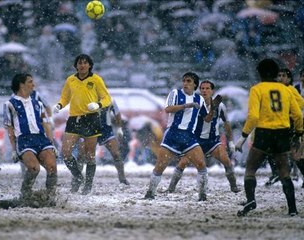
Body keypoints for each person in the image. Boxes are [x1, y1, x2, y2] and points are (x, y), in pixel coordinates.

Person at [235, 59, 303, 217]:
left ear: (259, 73)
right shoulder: (286, 90)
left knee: (251, 169)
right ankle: (292, 208)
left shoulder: (257, 89)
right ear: (275, 73)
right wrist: (299, 133)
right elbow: (298, 114)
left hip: (264, 133)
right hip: (282, 133)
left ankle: (251, 200)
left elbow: (253, 117)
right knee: (284, 172)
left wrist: (243, 137)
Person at [144, 72, 220, 201]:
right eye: (184, 80)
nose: (185, 83)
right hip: (173, 134)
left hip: (189, 137)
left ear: (195, 84)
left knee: (201, 164)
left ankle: (202, 196)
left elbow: (207, 118)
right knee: (160, 166)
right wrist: (186, 105)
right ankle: (150, 193)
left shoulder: (199, 99)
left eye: (188, 81)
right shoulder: (175, 93)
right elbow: (168, 109)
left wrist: (213, 108)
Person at [166, 80, 240, 193]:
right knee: (182, 163)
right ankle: (171, 188)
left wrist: (230, 141)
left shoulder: (220, 106)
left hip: (212, 141)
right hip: (196, 141)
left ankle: (234, 187)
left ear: (212, 91)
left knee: (226, 161)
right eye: (202, 88)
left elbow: (226, 123)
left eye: (207, 88)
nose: (204, 91)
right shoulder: (196, 103)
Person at [53, 54, 112, 195]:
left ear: (90, 65)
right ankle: (78, 176)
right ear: (76, 65)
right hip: (74, 119)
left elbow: (107, 98)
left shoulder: (96, 79)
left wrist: (97, 104)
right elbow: (65, 97)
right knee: (66, 153)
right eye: (80, 63)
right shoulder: (71, 80)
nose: (82, 65)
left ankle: (88, 185)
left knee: (89, 154)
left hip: (91, 119)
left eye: (85, 63)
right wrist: (60, 105)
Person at [3, 73, 57, 205]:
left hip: (40, 138)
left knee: (52, 167)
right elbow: (9, 128)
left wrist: (52, 142)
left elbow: (45, 123)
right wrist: (14, 149)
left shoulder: (37, 103)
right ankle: (25, 195)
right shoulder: (9, 104)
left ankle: (50, 197)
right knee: (34, 169)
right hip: (24, 139)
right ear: (21, 85)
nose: (34, 84)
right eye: (30, 82)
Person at [265, 68, 304, 185]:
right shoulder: (275, 90)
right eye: (279, 75)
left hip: (290, 125)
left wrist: (290, 112)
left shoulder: (290, 89)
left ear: (289, 78)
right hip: (278, 125)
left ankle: (281, 173)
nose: (281, 78)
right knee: (271, 149)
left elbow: (301, 103)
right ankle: (277, 172)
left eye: (283, 75)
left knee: (295, 155)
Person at [78, 100, 129, 185]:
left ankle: (122, 179)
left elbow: (117, 113)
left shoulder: (110, 100)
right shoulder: (87, 97)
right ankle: (78, 178)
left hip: (106, 131)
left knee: (116, 154)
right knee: (82, 155)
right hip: (90, 131)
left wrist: (119, 128)